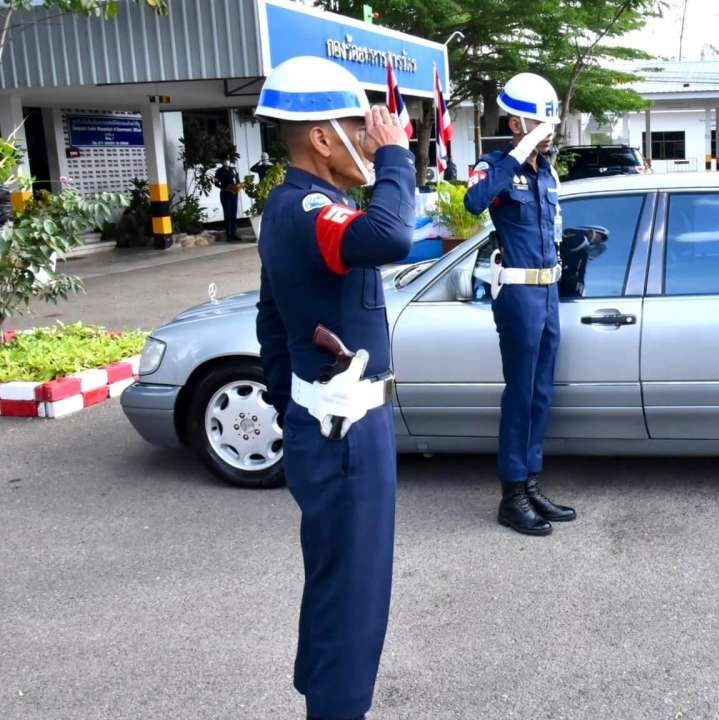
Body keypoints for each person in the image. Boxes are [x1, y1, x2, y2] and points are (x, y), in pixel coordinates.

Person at [253, 55, 415, 720]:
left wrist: (296, 403)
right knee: (353, 595)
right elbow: (393, 233)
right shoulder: (308, 205)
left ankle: (324, 697)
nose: (373, 134)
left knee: (338, 584)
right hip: (344, 433)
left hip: (329, 424)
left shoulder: (300, 207)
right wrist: (397, 159)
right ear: (322, 138)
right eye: (359, 123)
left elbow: (272, 324)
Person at [464, 72, 577, 536]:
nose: (548, 134)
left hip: (548, 292)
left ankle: (530, 483)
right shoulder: (496, 165)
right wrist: (513, 155)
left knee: (541, 392)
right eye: (538, 125)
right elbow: (475, 202)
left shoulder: (546, 171)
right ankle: (511, 493)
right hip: (517, 294)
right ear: (517, 125)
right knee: (520, 391)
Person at [213, 153, 241, 241]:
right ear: (222, 162)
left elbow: (238, 180)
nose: (227, 162)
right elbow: (216, 183)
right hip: (225, 194)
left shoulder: (234, 170)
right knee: (228, 214)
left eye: (228, 160)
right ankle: (228, 234)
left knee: (233, 214)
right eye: (225, 160)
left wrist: (238, 186)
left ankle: (234, 233)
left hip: (234, 193)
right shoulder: (219, 171)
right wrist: (225, 188)